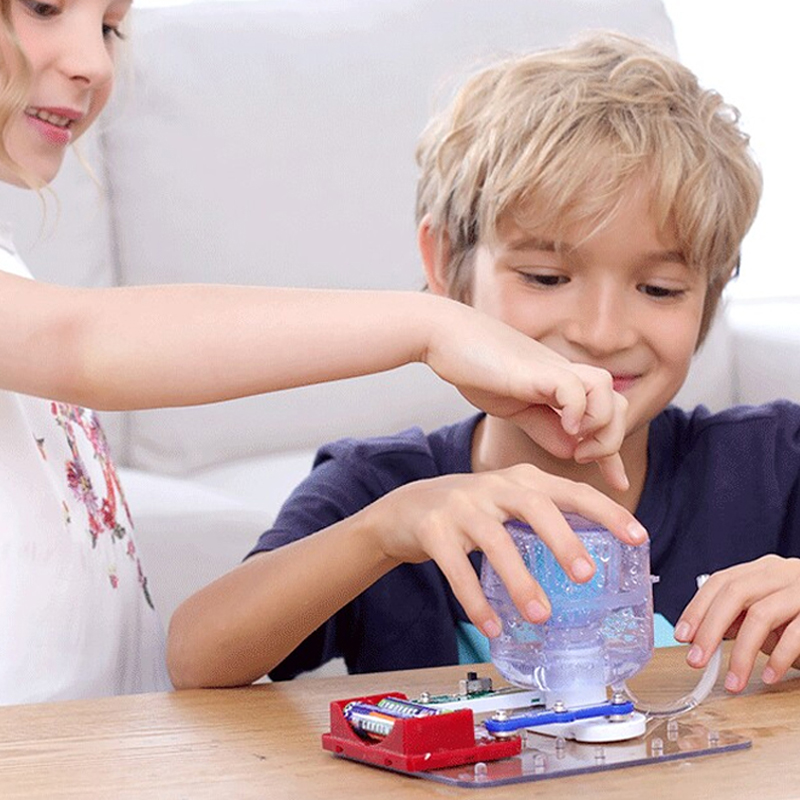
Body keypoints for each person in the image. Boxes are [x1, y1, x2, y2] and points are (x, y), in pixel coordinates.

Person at [0, 0, 635, 704]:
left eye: (109, 26)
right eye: (43, 6)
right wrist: (433, 327)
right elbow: (80, 342)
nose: (94, 62)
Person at [168, 31, 793, 696]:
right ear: (445, 264)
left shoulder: (776, 465)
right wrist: (381, 534)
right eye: (546, 277)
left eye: (660, 289)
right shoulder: (381, 491)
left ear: (709, 296)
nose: (601, 334)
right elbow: (195, 658)